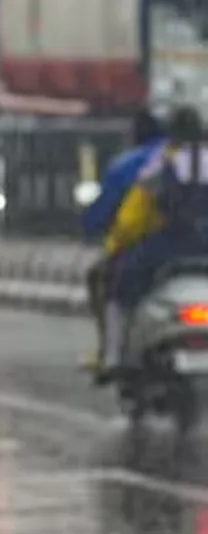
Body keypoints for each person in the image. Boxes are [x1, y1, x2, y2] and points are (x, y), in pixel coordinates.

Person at [102, 106, 208, 378]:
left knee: (119, 284)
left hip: (172, 245)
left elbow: (143, 204)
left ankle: (114, 354)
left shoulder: (165, 164)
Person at [81, 110, 165, 370]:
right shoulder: (191, 160)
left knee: (108, 283)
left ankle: (111, 353)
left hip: (152, 247)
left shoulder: (133, 166)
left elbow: (107, 215)